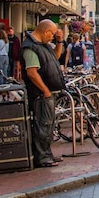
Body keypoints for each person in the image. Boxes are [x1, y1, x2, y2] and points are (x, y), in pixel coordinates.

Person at [21, 19, 66, 167]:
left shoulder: (43, 45)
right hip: (40, 95)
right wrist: (45, 91)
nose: (52, 36)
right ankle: (42, 158)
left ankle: (47, 154)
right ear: (45, 31)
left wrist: (60, 42)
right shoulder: (30, 47)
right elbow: (32, 73)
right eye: (52, 34)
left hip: (48, 93)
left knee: (48, 125)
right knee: (43, 125)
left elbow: (55, 57)